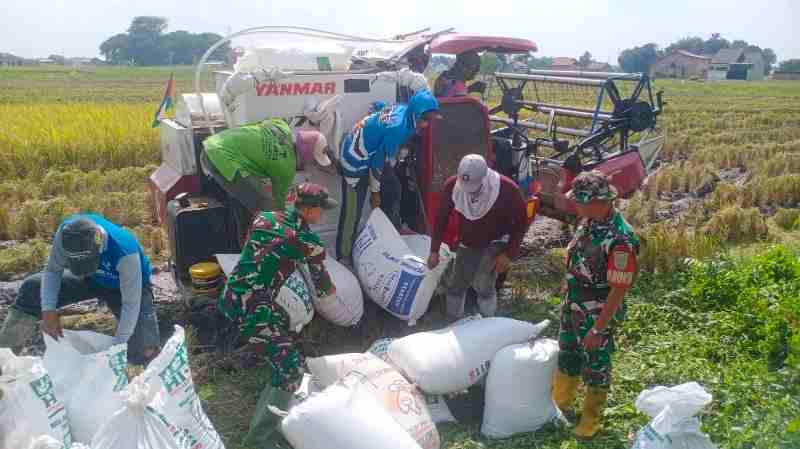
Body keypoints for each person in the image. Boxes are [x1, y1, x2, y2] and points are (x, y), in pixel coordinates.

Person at [218, 183, 338, 449]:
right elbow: (323, 287)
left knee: (282, 341)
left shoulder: (264, 217)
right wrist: (331, 291)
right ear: (309, 210)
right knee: (290, 369)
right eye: (321, 209)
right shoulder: (306, 242)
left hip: (233, 295)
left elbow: (253, 248)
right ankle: (258, 442)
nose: (322, 214)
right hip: (253, 308)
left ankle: (270, 412)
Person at [0, 215, 160, 365]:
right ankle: (5, 359)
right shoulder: (67, 234)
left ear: (99, 245)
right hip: (90, 279)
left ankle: (140, 367)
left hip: (124, 286)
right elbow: (53, 271)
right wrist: (48, 310)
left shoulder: (125, 251)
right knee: (32, 287)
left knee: (144, 347)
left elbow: (131, 303)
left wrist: (118, 347)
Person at [551, 170, 640, 439]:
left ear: (597, 202)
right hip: (573, 304)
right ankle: (560, 403)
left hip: (596, 310)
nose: (575, 205)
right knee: (568, 352)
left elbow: (619, 289)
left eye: (579, 201)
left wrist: (599, 328)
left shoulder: (620, 239)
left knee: (596, 363)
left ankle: (591, 418)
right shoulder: (588, 222)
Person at [336, 88, 440, 264]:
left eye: (430, 120)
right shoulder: (398, 129)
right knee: (353, 211)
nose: (426, 124)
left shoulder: (403, 110)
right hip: (355, 159)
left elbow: (379, 107)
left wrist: (374, 119)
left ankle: (391, 233)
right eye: (424, 119)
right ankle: (343, 254)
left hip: (372, 151)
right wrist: (375, 193)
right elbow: (377, 164)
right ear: (415, 113)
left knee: (393, 189)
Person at [427, 154, 528, 319]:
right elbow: (441, 218)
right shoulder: (452, 186)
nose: (469, 193)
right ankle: (453, 320)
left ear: (484, 178)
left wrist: (509, 254)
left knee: (482, 281)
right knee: (457, 282)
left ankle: (488, 320)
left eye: (474, 188)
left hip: (496, 239)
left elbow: (522, 222)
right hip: (469, 239)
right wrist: (434, 251)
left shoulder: (506, 189)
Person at [201, 119, 332, 238]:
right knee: (268, 210)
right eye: (313, 160)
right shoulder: (286, 168)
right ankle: (261, 250)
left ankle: (248, 246)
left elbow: (256, 128)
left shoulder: (281, 126)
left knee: (247, 204)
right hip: (223, 159)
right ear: (307, 155)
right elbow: (279, 205)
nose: (311, 164)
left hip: (213, 145)